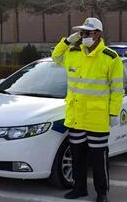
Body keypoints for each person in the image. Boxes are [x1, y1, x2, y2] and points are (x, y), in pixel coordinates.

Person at [52, 18, 124, 202]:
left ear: (98, 34)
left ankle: (102, 193)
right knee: (77, 157)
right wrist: (67, 40)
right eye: (82, 33)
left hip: (97, 118)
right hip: (76, 116)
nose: (83, 36)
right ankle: (79, 188)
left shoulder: (110, 58)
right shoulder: (74, 53)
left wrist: (114, 113)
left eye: (87, 33)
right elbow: (56, 57)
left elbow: (117, 90)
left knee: (99, 159)